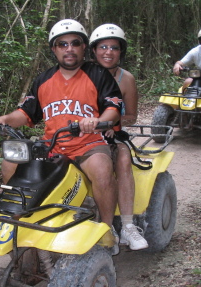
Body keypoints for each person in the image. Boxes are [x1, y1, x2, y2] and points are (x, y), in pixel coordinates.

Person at [0, 19, 122, 252]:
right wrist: (4, 120)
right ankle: (23, 220)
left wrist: (97, 121)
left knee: (101, 168)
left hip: (88, 143)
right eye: (62, 44)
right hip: (53, 145)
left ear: (83, 47)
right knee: (11, 164)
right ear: (54, 49)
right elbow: (25, 113)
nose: (69, 48)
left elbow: (113, 107)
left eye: (75, 43)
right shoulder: (43, 80)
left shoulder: (98, 74)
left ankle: (107, 230)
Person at [89, 23, 148, 250]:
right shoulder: (83, 74)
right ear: (94, 50)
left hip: (112, 134)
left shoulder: (126, 79)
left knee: (123, 159)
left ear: (120, 51)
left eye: (114, 47)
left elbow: (132, 115)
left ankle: (126, 226)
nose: (108, 52)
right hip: (82, 136)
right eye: (103, 47)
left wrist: (112, 123)